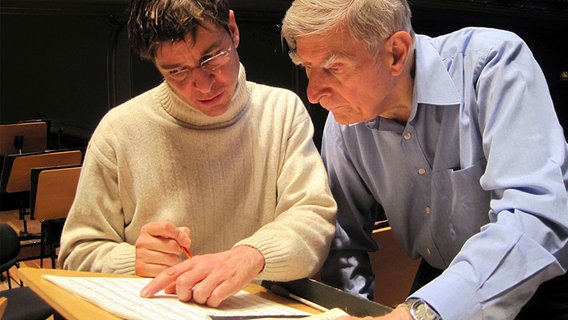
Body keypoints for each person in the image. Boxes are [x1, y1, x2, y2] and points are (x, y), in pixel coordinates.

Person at [281, 0, 568, 319]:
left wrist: (418, 314)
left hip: (540, 279)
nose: (313, 93)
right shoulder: (346, 122)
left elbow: (534, 215)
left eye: (333, 68)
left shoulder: (490, 63)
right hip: (441, 280)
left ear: (396, 53)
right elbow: (342, 241)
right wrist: (352, 311)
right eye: (307, 68)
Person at [59, 0, 337, 308]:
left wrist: (250, 256)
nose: (203, 85)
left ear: (232, 30)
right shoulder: (119, 130)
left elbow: (313, 219)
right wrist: (133, 259)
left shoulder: (281, 111)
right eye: (176, 71)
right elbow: (77, 253)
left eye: (212, 57)